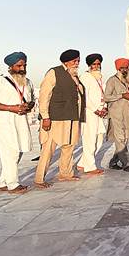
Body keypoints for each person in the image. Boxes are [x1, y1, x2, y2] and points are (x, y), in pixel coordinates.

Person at [0, 51, 34, 194]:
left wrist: (28, 106)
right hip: (5, 123)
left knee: (18, 152)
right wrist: (11, 108)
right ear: (11, 66)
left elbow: (31, 100)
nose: (22, 68)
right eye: (19, 66)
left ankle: (2, 183)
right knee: (10, 153)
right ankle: (12, 184)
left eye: (24, 65)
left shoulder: (28, 82)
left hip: (21, 122)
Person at [35, 49, 86, 187]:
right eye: (75, 61)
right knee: (48, 148)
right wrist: (45, 116)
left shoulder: (74, 75)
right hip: (55, 117)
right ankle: (39, 179)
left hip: (72, 116)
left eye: (78, 61)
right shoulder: (54, 72)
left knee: (69, 145)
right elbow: (44, 95)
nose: (77, 63)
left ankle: (65, 173)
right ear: (66, 61)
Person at [104, 58, 129, 172]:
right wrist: (121, 95)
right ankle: (126, 164)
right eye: (122, 68)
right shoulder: (112, 80)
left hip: (128, 114)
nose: (124, 70)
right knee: (120, 139)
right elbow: (106, 97)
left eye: (126, 68)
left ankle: (113, 162)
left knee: (125, 138)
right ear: (118, 69)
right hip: (116, 114)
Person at [77, 53, 107, 176]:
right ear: (89, 65)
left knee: (99, 138)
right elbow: (84, 97)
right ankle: (90, 167)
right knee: (89, 140)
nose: (96, 66)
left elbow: (102, 94)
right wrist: (95, 109)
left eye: (98, 64)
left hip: (99, 113)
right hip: (89, 113)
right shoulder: (85, 77)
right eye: (94, 64)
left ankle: (82, 163)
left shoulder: (99, 77)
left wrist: (104, 107)